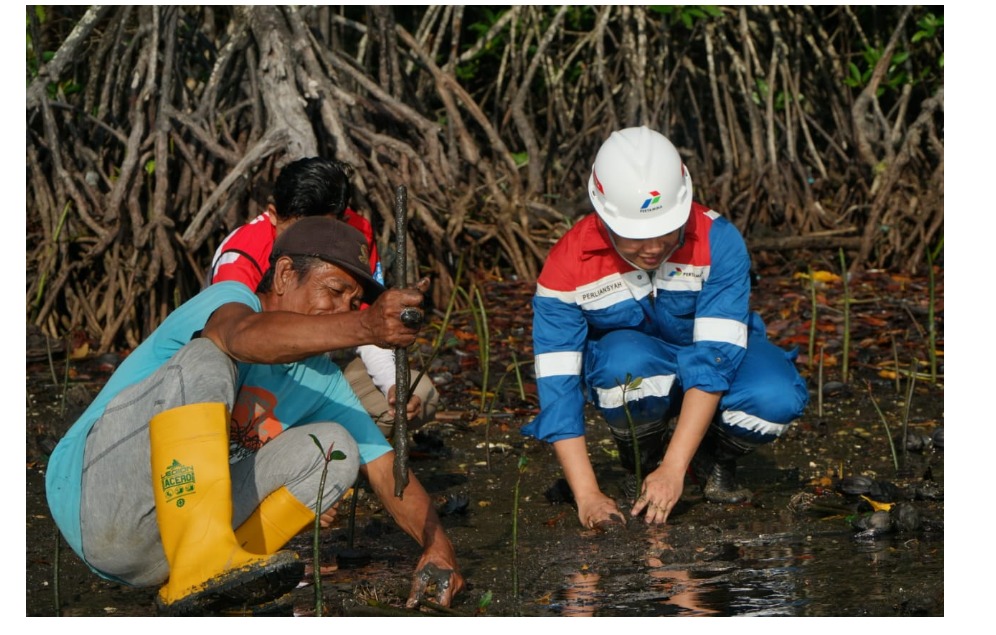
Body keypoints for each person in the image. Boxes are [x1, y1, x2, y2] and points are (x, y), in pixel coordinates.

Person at [46, 217, 464, 615]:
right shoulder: (228, 303)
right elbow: (242, 338)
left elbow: (387, 469)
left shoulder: (323, 378)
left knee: (336, 448)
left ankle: (220, 578)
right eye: (334, 291)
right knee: (208, 355)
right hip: (98, 501)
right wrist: (367, 326)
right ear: (284, 274)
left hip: (159, 554)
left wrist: (438, 548)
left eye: (353, 302)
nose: (343, 309)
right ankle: (204, 561)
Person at [522, 126, 809, 529]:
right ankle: (642, 463)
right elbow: (558, 384)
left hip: (719, 364)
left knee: (777, 395)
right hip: (638, 369)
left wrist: (677, 468)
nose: (653, 247)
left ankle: (710, 458)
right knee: (623, 363)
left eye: (666, 230)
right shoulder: (567, 264)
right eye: (636, 236)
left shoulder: (718, 239)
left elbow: (714, 357)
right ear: (603, 217)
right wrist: (587, 495)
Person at [208, 156, 439, 437]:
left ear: (341, 219)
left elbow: (365, 323)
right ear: (273, 214)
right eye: (299, 228)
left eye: (322, 229)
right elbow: (234, 344)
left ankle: (345, 458)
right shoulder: (241, 256)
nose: (310, 242)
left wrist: (392, 384)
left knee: (419, 395)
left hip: (328, 363)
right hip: (256, 374)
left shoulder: (356, 236)